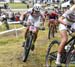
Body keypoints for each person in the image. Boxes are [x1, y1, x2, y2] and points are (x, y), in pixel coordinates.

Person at [55, 0, 75, 66]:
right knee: (64, 39)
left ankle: (71, 52)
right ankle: (58, 58)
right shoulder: (70, 10)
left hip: (72, 24)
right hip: (64, 23)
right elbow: (59, 19)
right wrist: (65, 24)